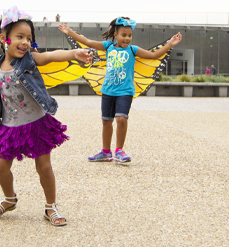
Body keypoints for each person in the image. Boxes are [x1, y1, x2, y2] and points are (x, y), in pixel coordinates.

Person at [0, 6, 92, 226]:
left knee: (44, 167)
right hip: (10, 126)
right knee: (1, 166)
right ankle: (9, 199)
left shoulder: (29, 60)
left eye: (29, 38)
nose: (25, 42)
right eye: (19, 37)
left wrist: (73, 53)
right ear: (4, 39)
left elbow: (49, 56)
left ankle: (51, 207)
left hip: (36, 123)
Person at [59, 17, 182, 163]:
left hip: (126, 91)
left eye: (129, 35)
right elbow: (88, 42)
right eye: (124, 35)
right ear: (115, 35)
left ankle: (119, 151)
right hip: (108, 90)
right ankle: (105, 152)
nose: (127, 38)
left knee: (121, 119)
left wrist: (170, 44)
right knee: (106, 121)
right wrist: (69, 32)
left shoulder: (133, 49)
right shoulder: (108, 46)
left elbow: (154, 55)